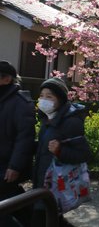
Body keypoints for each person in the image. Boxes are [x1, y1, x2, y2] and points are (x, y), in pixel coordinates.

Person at [32, 77, 92, 227]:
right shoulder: (48, 119)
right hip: (44, 180)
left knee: (42, 219)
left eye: (49, 96)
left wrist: (60, 151)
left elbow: (84, 154)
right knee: (51, 219)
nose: (43, 100)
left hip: (53, 183)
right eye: (41, 96)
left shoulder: (70, 122)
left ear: (60, 99)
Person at [0, 61, 35, 227]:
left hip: (7, 166)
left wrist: (15, 166)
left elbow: (25, 137)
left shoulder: (20, 102)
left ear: (6, 79)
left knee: (6, 207)